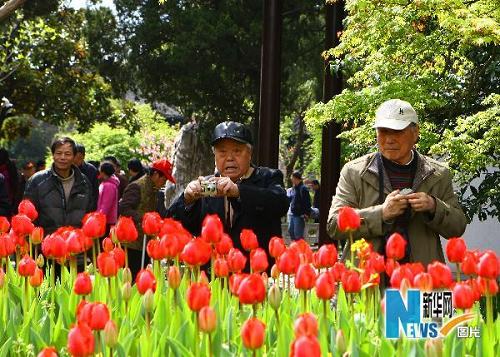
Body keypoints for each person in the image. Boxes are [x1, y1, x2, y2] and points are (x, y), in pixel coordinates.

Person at [327, 99, 467, 265]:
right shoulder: (354, 172)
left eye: (397, 131)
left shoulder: (437, 174)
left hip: (420, 279)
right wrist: (381, 213)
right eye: (383, 131)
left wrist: (434, 206)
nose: (389, 139)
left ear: (415, 133)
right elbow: (334, 225)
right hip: (369, 278)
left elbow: (458, 227)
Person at [168, 121, 289, 266]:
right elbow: (174, 223)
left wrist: (238, 192)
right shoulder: (207, 185)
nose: (229, 158)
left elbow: (280, 203)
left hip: (254, 275)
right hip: (215, 274)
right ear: (215, 156)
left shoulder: (268, 177)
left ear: (249, 153)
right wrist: (187, 200)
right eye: (222, 152)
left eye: (237, 151)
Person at [24, 137, 94, 234]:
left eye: (68, 154)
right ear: (53, 155)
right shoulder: (37, 180)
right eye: (58, 153)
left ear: (74, 156)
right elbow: (27, 216)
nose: (63, 157)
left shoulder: (84, 182)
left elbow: (90, 213)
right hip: (47, 243)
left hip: (75, 243)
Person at [119, 159, 175, 278]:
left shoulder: (154, 189)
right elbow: (124, 208)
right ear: (155, 174)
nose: (164, 182)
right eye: (163, 179)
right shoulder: (137, 186)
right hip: (131, 244)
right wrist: (146, 219)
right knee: (132, 277)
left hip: (144, 242)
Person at [287, 171, 312, 241]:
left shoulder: (303, 188)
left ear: (296, 178)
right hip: (293, 213)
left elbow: (307, 202)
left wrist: (307, 213)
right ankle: (295, 247)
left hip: (300, 215)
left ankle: (300, 249)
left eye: (292, 177)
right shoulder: (294, 188)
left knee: (298, 234)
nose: (291, 179)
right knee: (291, 231)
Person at [74, 143, 99, 208]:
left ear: (84, 156)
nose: (76, 160)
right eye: (74, 157)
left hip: (86, 207)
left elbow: (95, 193)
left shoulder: (91, 170)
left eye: (79, 158)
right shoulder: (66, 168)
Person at [97, 162, 120, 232]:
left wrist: (98, 218)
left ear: (103, 172)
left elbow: (105, 205)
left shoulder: (108, 186)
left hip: (106, 221)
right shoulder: (108, 184)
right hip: (107, 219)